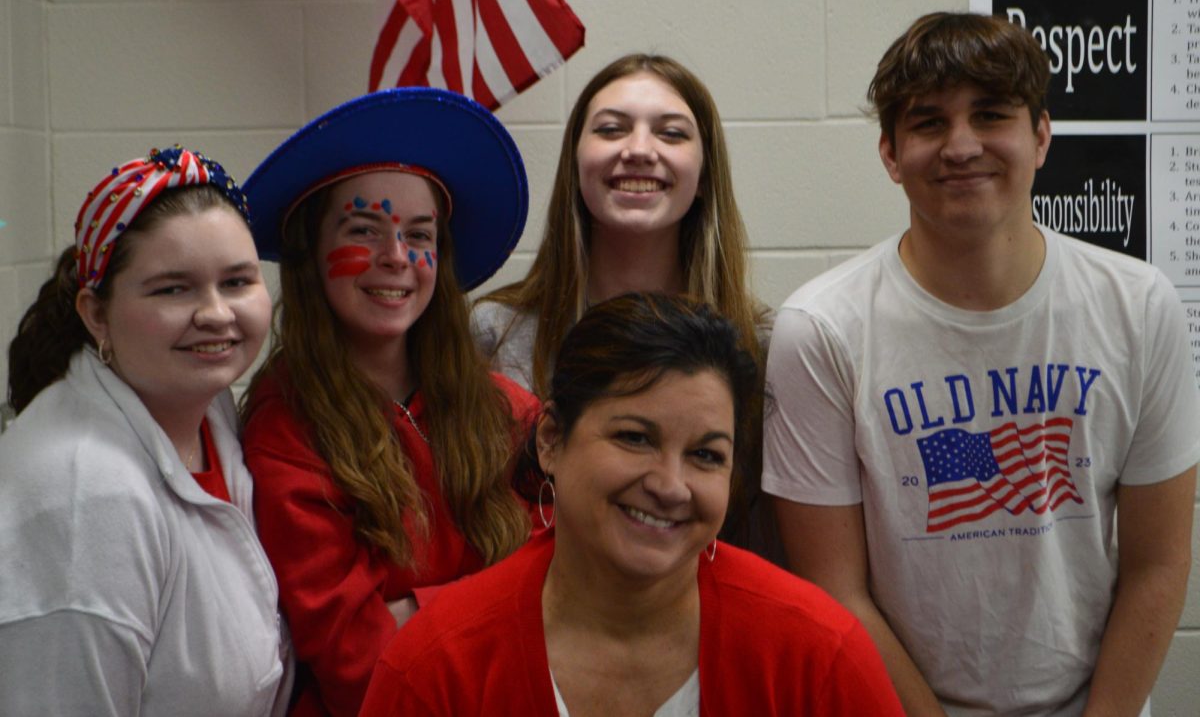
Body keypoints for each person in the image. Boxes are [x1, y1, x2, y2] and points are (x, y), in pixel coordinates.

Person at [763, 11, 1200, 716]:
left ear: (1042, 136)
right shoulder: (820, 330)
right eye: (929, 123)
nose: (961, 146)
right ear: (890, 153)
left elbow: (1158, 563)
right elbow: (834, 590)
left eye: (991, 115)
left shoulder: (1138, 305)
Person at [360, 293, 905, 716]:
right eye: (635, 438)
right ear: (550, 439)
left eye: (706, 455)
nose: (671, 485)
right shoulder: (438, 665)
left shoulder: (817, 655)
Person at [239, 88, 540, 717]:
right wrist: (492, 604)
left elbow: (565, 597)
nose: (396, 258)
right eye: (364, 229)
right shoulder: (285, 426)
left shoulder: (508, 413)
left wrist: (415, 610)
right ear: (312, 252)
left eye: (418, 234)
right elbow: (360, 667)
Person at [0, 147, 292, 716]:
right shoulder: (84, 503)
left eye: (236, 281)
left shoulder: (208, 410)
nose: (216, 314)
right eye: (172, 289)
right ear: (96, 314)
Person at [473, 52, 775, 556]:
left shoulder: (761, 345)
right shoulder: (495, 333)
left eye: (672, 134)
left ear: (703, 176)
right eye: (612, 130)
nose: (639, 150)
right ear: (575, 164)